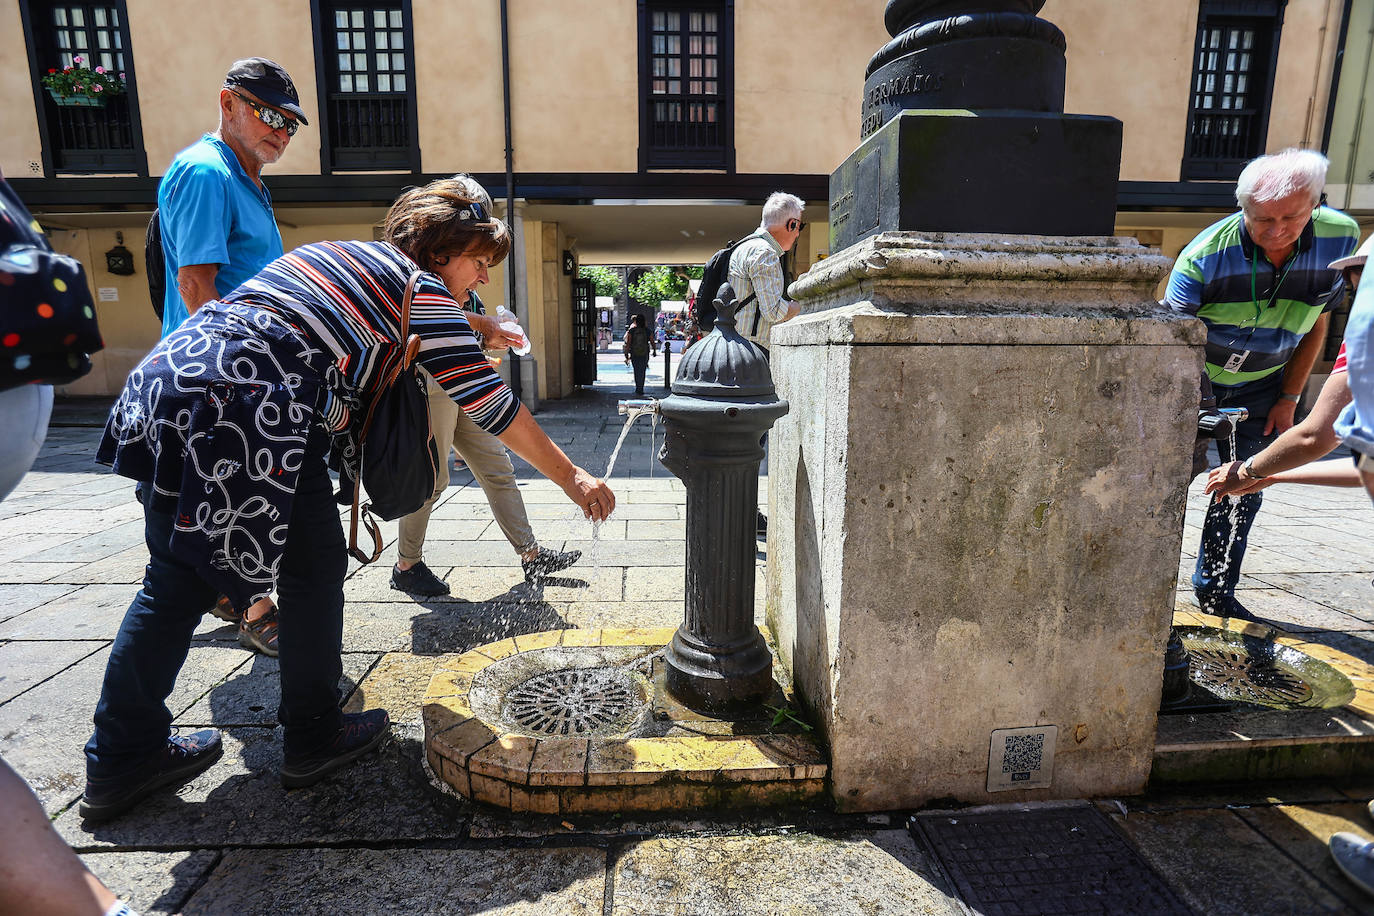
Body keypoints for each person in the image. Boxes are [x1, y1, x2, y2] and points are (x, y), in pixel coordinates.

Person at [80, 177, 615, 821]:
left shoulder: (342, 255)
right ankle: (313, 733)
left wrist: (474, 325)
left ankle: (118, 757)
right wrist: (574, 479)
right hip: (252, 409)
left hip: (173, 380)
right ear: (443, 251)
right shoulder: (425, 292)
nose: (480, 280)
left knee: (173, 578)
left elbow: (376, 327)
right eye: (479, 263)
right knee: (312, 572)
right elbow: (491, 406)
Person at [155, 57, 309, 652]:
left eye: (290, 123)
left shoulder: (246, 179)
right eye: (268, 113)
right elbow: (197, 286)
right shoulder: (206, 174)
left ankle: (232, 594)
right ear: (228, 103)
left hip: (247, 370)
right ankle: (252, 606)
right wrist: (236, 378)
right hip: (222, 374)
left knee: (242, 500)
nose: (281, 130)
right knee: (238, 502)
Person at [1165, 149, 1358, 621]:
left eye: (1290, 217)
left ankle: (1215, 591)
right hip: (1194, 379)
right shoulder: (1203, 256)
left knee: (1245, 485)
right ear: (1242, 209)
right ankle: (1150, 588)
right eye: (1261, 219)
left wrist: (1290, 397)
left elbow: (1316, 323)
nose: (1275, 231)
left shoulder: (1343, 238)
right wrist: (1196, 403)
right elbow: (1171, 342)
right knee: (1164, 483)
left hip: (1265, 384)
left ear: (1314, 203)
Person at [1206, 234, 1372, 499]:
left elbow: (1316, 435)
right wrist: (1269, 474)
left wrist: (1249, 471)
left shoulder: (1365, 340)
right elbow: (1367, 466)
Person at [729, 191, 806, 536]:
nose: (798, 233)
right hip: (753, 357)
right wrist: (808, 307)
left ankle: (739, 508)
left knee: (743, 440)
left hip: (736, 353)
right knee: (751, 441)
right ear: (790, 224)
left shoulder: (744, 246)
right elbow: (775, 312)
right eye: (799, 227)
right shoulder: (764, 253)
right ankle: (741, 511)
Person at [624, 314, 651, 396]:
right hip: (644, 353)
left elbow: (628, 343)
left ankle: (637, 388)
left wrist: (626, 353)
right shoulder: (647, 330)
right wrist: (654, 351)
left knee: (636, 370)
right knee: (642, 370)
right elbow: (652, 341)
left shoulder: (632, 331)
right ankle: (641, 388)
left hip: (634, 353)